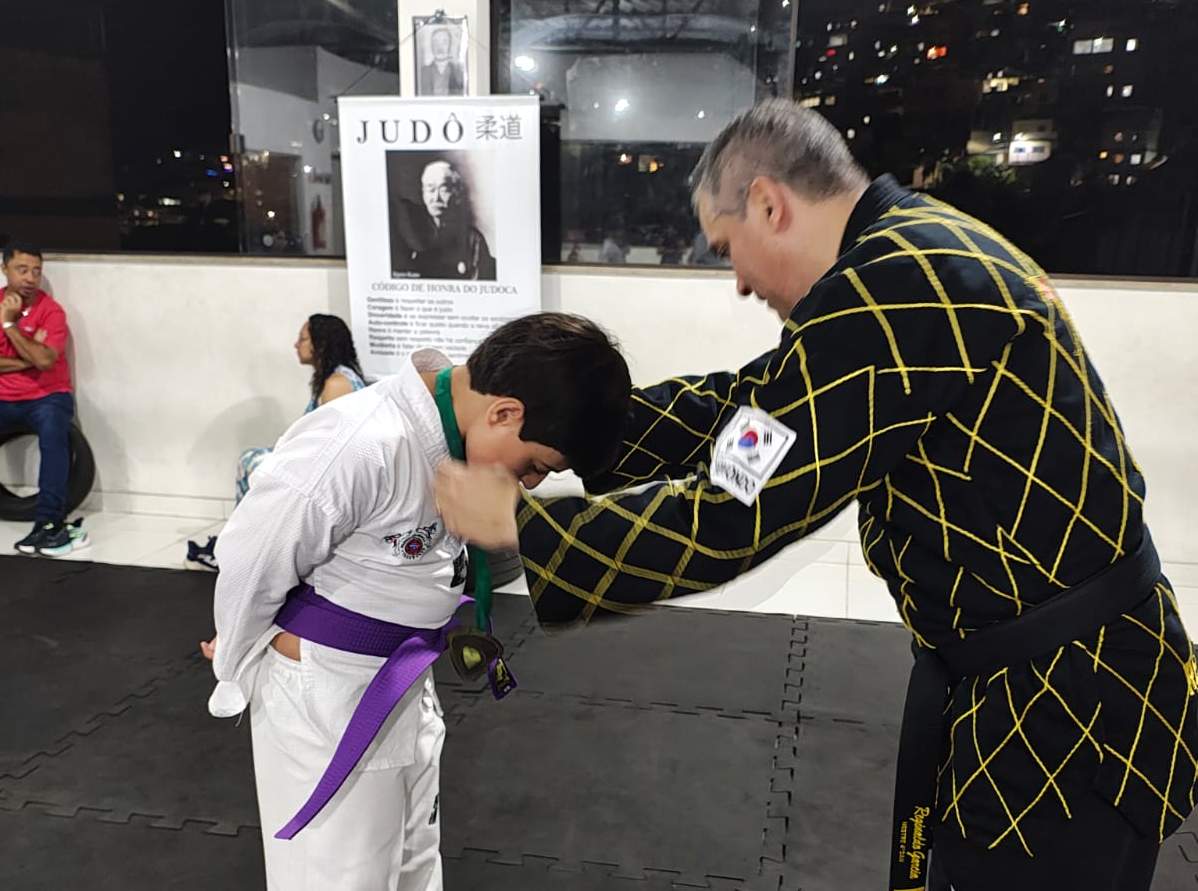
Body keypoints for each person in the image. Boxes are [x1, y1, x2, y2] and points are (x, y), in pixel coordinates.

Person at [436, 100, 1198, 891]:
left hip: (1070, 706)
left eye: (727, 249)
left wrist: (531, 529)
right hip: (1048, 677)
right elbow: (760, 410)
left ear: (769, 204)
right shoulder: (911, 248)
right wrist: (579, 424)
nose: (738, 282)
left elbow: (735, 510)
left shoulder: (892, 287)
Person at [200, 313, 630, 890]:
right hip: (325, 702)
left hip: (402, 682)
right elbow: (253, 559)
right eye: (534, 466)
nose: (529, 483)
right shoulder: (361, 442)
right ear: (504, 413)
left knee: (414, 868)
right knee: (338, 878)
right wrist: (238, 658)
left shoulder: (446, 440)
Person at [185, 314, 366, 571]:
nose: (296, 344)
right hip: (318, 461)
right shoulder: (333, 379)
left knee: (252, 462)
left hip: (329, 470)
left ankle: (244, 550)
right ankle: (245, 544)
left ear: (321, 344)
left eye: (303, 338)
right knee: (253, 458)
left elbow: (331, 444)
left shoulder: (337, 383)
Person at [0, 241, 87, 557]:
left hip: (47, 397)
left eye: (36, 271)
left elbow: (47, 361)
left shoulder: (51, 311)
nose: (30, 278)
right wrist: (29, 357)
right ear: (4, 269)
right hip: (3, 397)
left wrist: (9, 325)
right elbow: (37, 358)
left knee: (53, 432)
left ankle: (50, 524)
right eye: (22, 269)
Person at [390, 160, 496, 280]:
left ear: (457, 194)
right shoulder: (410, 237)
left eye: (444, 190)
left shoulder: (473, 241)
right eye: (431, 190)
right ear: (424, 194)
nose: (436, 198)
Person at [418, 27, 464, 97]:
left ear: (450, 45)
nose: (439, 46)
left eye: (444, 42)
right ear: (431, 45)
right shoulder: (423, 73)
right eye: (435, 42)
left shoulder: (458, 72)